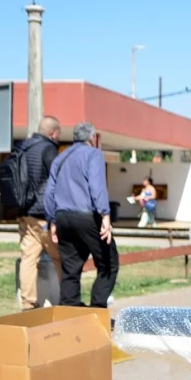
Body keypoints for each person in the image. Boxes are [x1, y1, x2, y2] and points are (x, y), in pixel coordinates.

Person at [44, 122, 119, 308]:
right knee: (109, 263)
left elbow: (49, 191)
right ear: (92, 138)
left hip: (62, 218)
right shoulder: (93, 154)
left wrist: (52, 221)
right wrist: (105, 215)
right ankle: (97, 308)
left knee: (70, 268)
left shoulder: (60, 158)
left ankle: (71, 311)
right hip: (86, 216)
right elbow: (97, 186)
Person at [16, 116, 62, 310]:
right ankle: (67, 300)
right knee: (60, 257)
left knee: (28, 258)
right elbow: (57, 179)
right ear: (53, 133)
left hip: (24, 212)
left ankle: (28, 303)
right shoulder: (49, 149)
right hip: (43, 214)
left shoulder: (22, 148)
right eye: (58, 134)